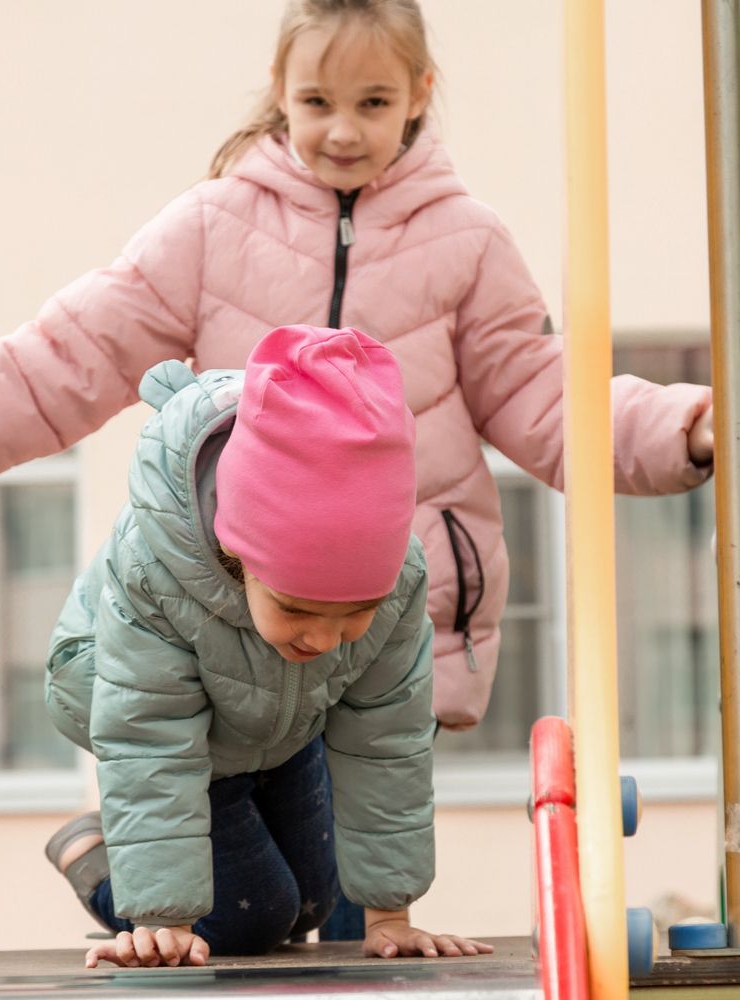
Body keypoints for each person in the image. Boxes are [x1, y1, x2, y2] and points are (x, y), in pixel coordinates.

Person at [0, 0, 714, 938]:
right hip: (234, 628)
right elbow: (61, 361)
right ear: (279, 93)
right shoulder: (211, 230)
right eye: (317, 99)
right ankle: (127, 865)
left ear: (419, 98)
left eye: (373, 101)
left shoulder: (466, 245)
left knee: (361, 912)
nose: (343, 129)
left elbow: (545, 393)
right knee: (262, 917)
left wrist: (682, 427)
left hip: (378, 632)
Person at [43, 322, 491, 966]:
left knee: (315, 901)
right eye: (296, 607)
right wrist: (162, 917)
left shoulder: (399, 583)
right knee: (253, 918)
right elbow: (150, 738)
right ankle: (93, 855)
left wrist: (391, 915)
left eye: (353, 614)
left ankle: (258, 832)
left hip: (279, 708)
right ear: (239, 552)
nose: (323, 636)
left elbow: (386, 739)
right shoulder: (155, 574)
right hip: (153, 718)